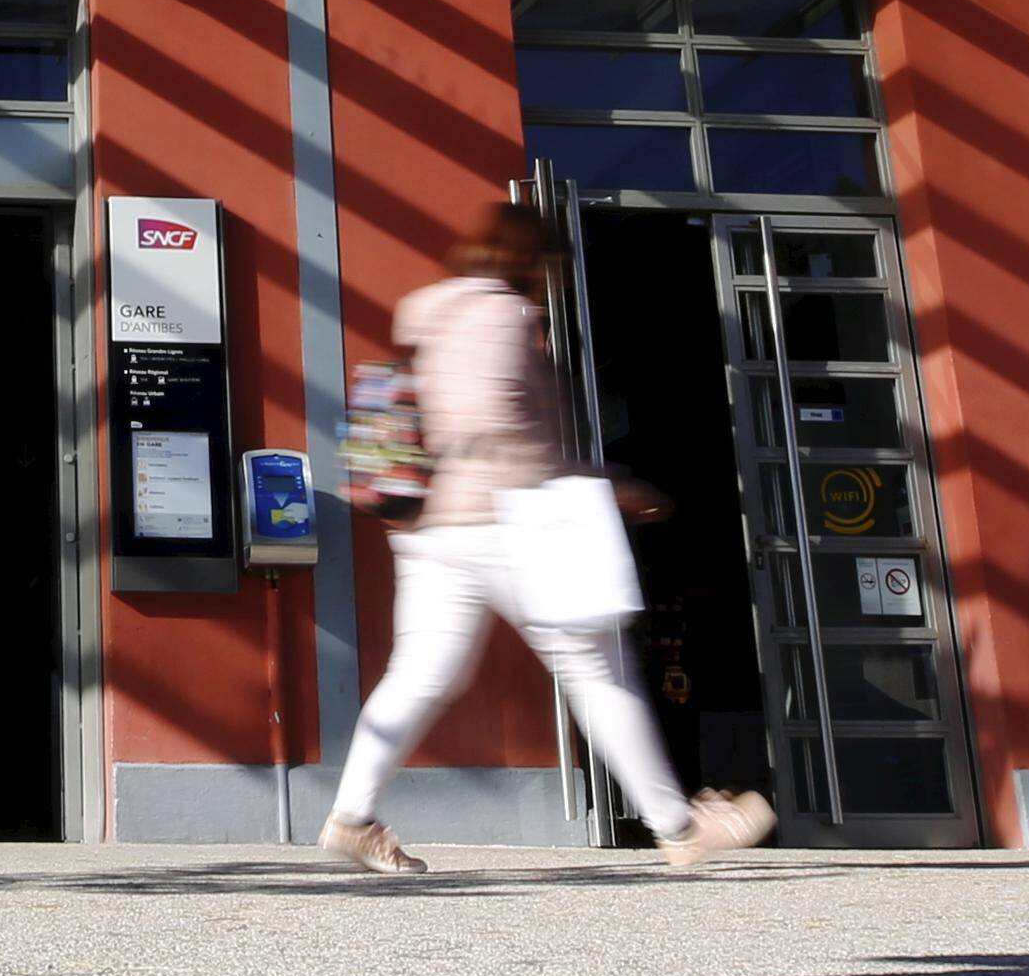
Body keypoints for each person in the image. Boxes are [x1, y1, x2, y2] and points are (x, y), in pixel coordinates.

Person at [320, 202, 776, 876]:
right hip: (508, 521)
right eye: (553, 265)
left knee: (420, 673)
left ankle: (352, 817)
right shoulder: (503, 315)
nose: (556, 279)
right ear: (531, 260)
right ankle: (679, 827)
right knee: (597, 670)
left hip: (431, 529)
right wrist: (603, 483)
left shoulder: (433, 314)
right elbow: (493, 420)